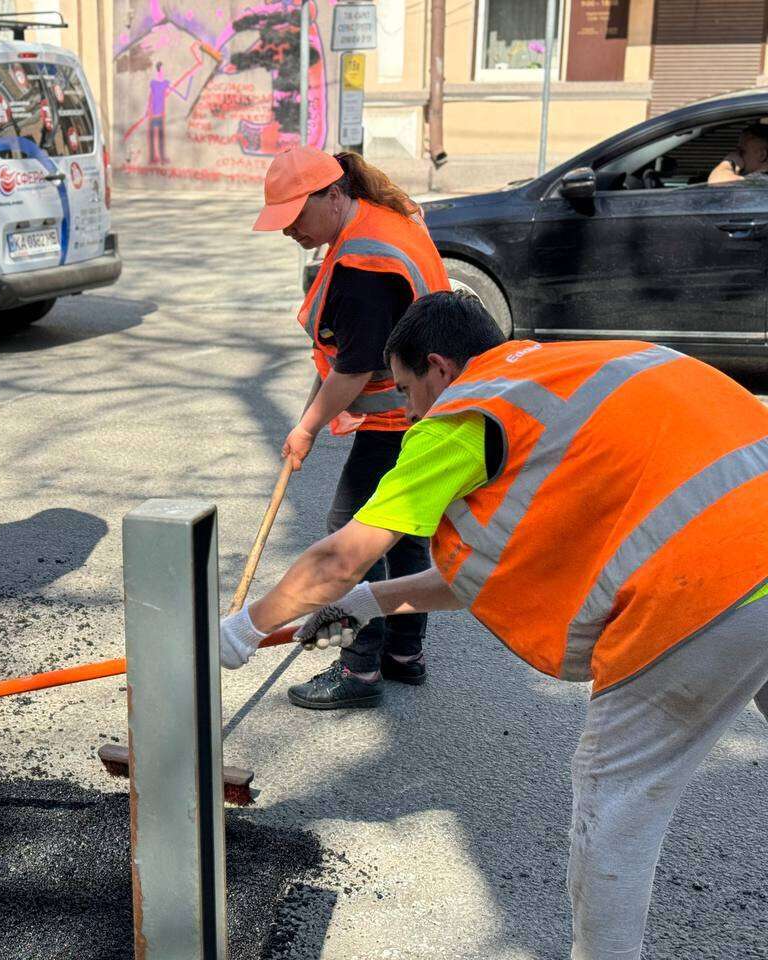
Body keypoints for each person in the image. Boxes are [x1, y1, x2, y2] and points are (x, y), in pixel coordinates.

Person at [220, 290, 768, 960]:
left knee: (616, 798)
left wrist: (241, 631)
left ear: (441, 369)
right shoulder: (561, 378)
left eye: (406, 390)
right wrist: (366, 603)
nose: (407, 410)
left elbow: (339, 554)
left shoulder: (467, 411)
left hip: (708, 587)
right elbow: (491, 574)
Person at [251, 145, 450, 710]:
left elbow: (356, 367)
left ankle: (358, 669)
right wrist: (309, 416)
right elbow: (346, 357)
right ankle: (404, 654)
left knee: (351, 540)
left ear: (332, 194)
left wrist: (307, 428)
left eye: (296, 216)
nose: (289, 230)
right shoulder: (381, 222)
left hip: (397, 416)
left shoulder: (364, 264)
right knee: (406, 533)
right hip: (423, 408)